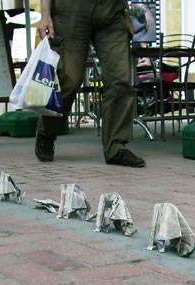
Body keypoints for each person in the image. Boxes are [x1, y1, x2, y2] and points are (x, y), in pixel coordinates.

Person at [35, 0, 145, 167]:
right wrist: (45, 14)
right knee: (69, 80)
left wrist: (126, 13)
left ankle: (116, 147)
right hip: (71, 11)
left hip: (112, 13)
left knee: (120, 80)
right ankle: (47, 131)